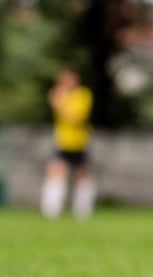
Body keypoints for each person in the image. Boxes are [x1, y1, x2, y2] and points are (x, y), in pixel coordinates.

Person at [41, 68, 95, 220]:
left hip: (79, 141)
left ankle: (82, 210)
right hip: (62, 140)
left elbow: (76, 117)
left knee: (82, 174)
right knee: (55, 172)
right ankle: (51, 209)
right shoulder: (58, 94)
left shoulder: (83, 95)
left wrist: (59, 103)